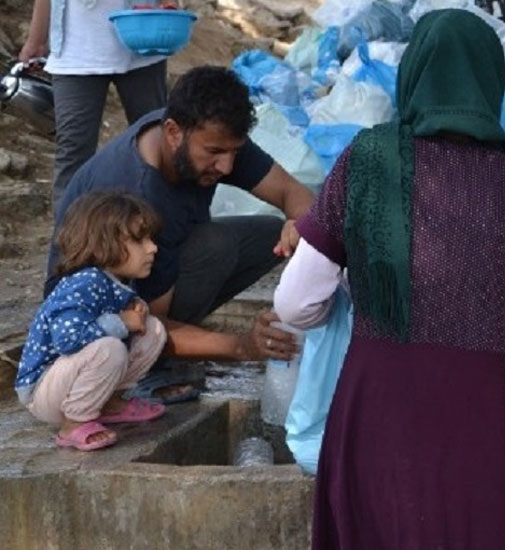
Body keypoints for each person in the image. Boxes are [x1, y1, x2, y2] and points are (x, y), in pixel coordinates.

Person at [272, 10, 505, 549]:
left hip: (373, 408)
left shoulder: (366, 162)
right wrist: (498, 293)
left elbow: (295, 304)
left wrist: (361, 287)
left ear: (413, 77)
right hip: (473, 418)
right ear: (492, 84)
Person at [45, 65, 315, 401]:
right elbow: (146, 320)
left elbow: (294, 194)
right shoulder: (138, 195)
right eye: (215, 153)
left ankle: (180, 338)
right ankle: (148, 370)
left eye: (234, 152)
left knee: (272, 234)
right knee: (213, 246)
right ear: (173, 132)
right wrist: (242, 346)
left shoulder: (209, 133)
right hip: (94, 320)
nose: (227, 167)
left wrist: (299, 223)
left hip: (154, 279)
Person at [16, 191, 168, 452]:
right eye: (140, 240)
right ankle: (73, 423)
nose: (152, 247)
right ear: (103, 243)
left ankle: (110, 403)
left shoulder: (112, 281)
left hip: (73, 379)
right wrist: (122, 322)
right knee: (109, 349)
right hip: (44, 390)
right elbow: (69, 339)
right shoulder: (84, 283)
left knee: (153, 329)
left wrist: (137, 313)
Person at [19, 0, 172, 214]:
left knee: (158, 145)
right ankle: (70, 241)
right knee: (73, 151)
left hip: (143, 40)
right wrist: (36, 40)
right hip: (75, 50)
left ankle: (165, 232)